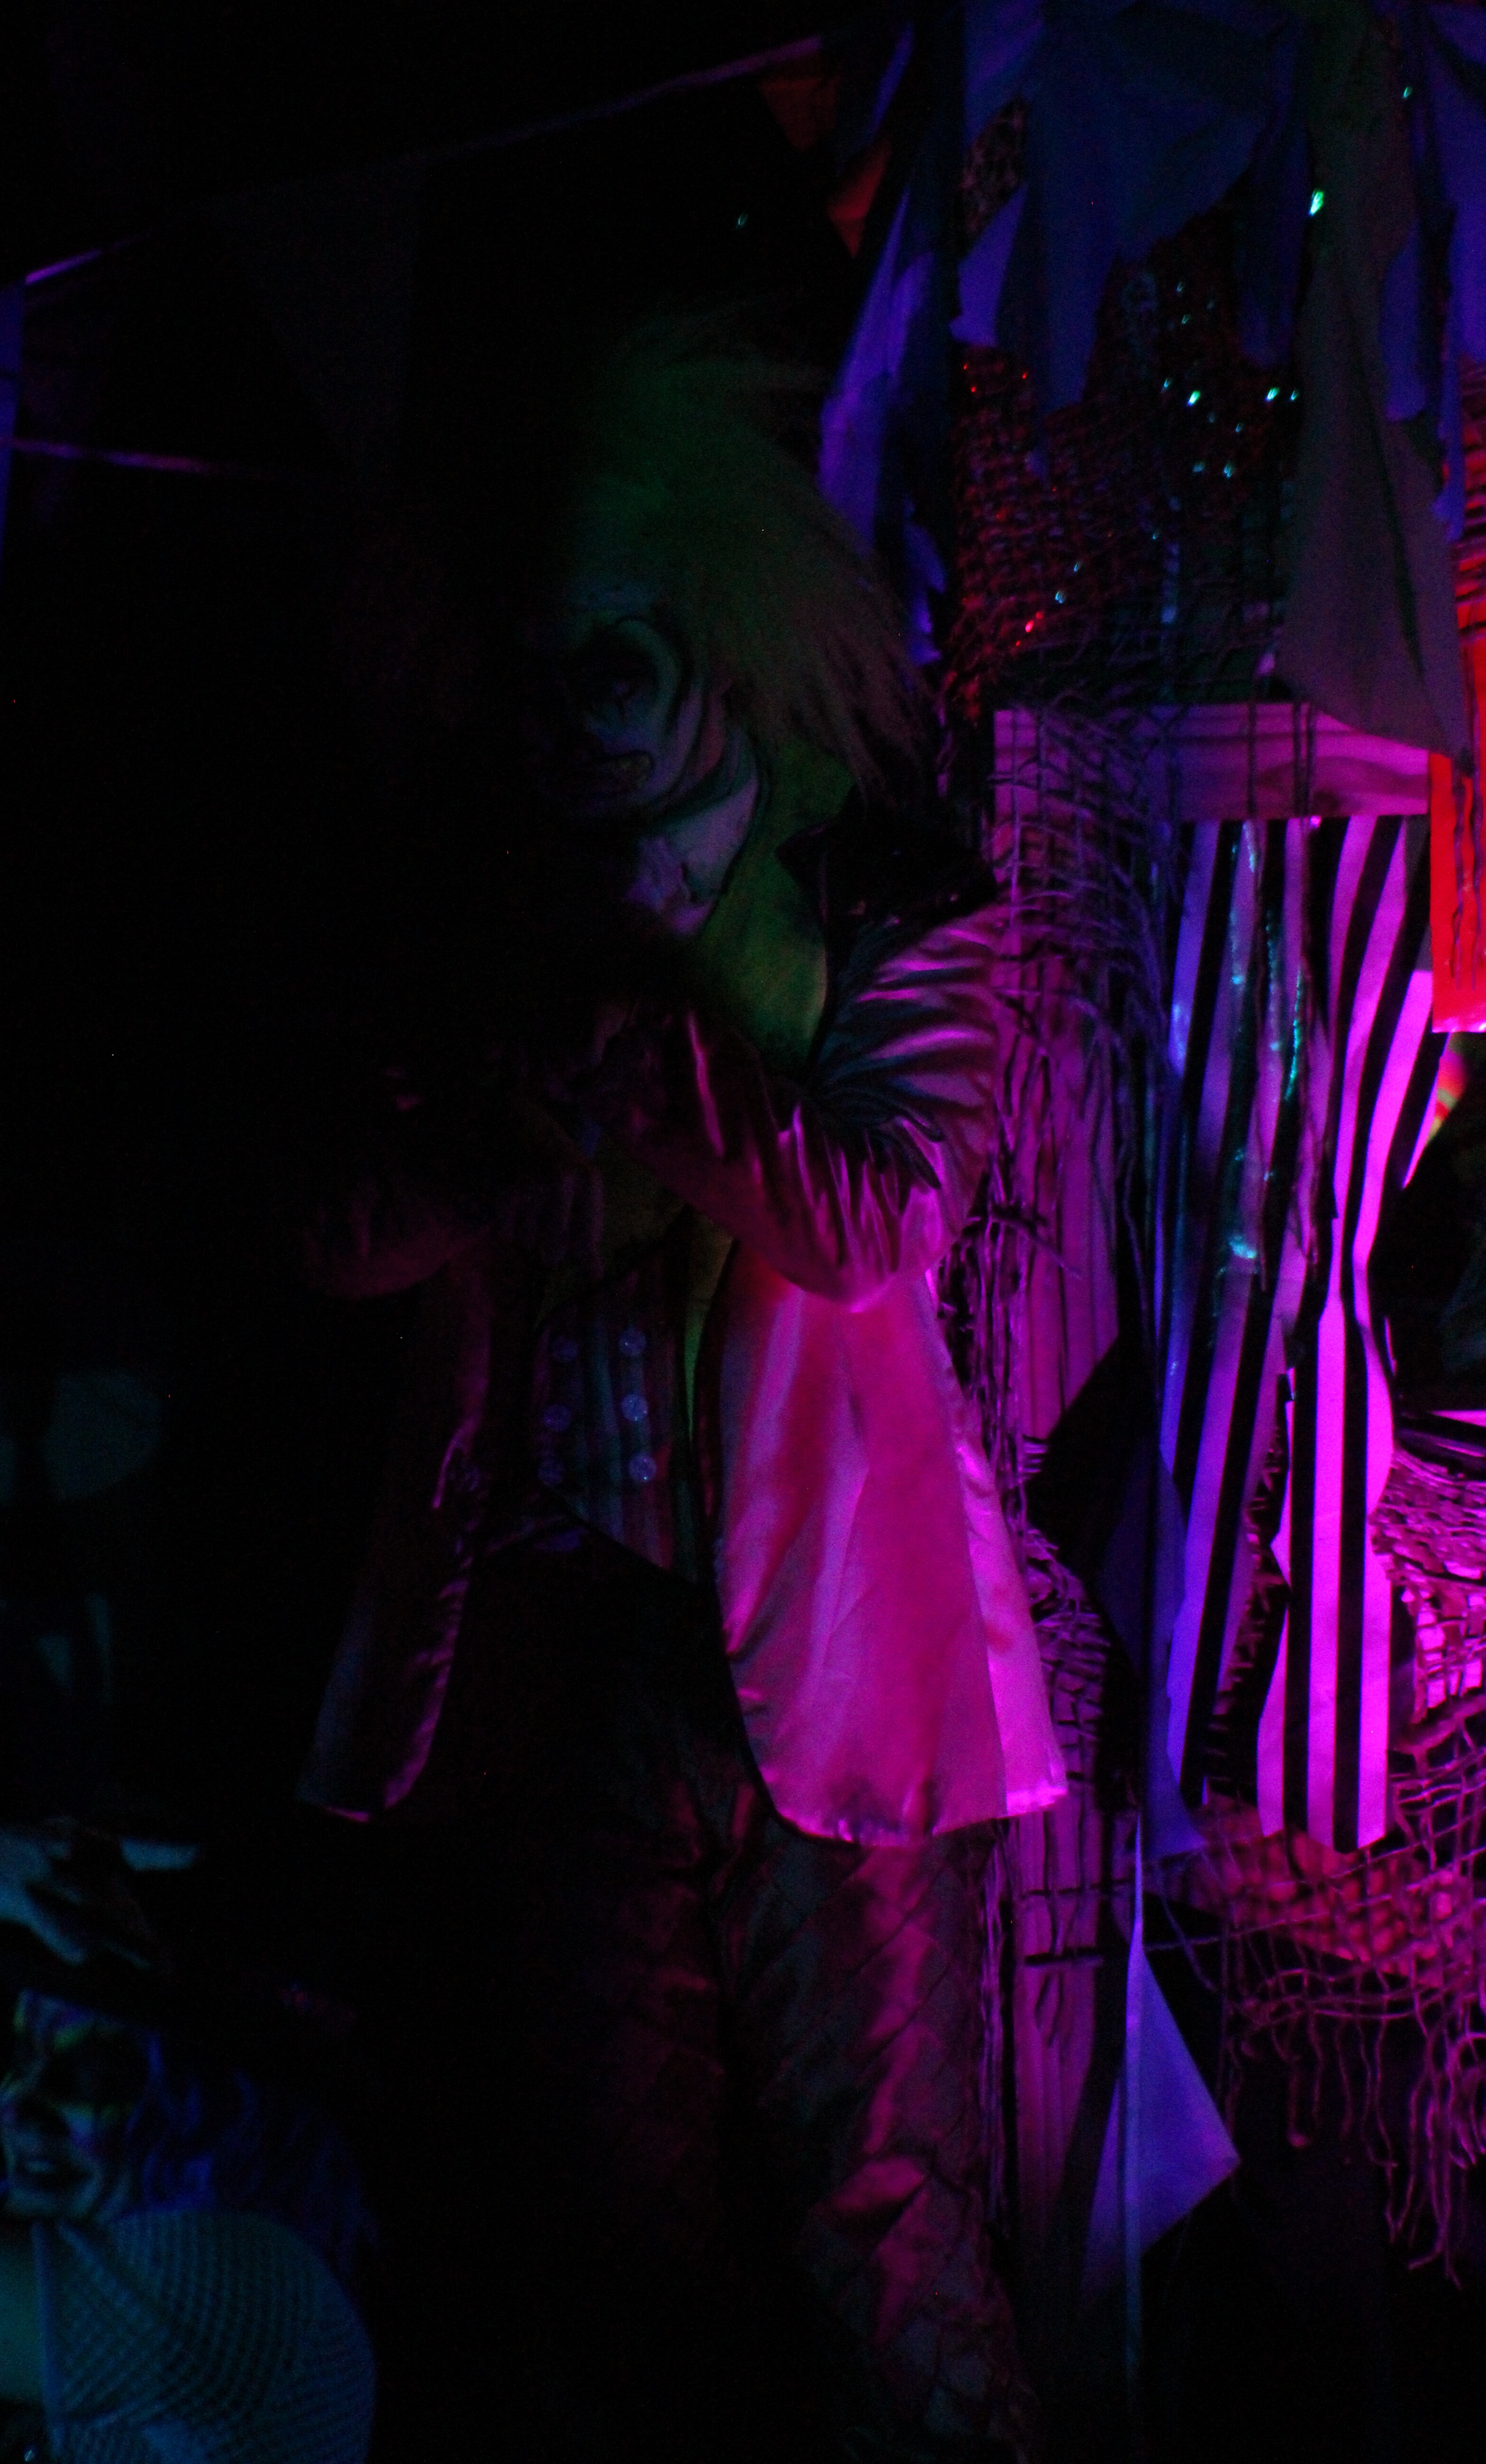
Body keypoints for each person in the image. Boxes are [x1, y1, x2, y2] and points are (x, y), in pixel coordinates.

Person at [300, 319, 1065, 2462]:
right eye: (541, 660)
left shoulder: (878, 882)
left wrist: (638, 1051)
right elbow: (330, 1227)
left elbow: (873, 1217)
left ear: (718, 628)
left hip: (833, 1654)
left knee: (883, 2220)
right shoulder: (458, 908)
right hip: (549, 1649)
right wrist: (493, 1114)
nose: (578, 700)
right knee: (608, 2244)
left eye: (617, 647)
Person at [0, 1825, 376, 2464]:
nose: (21, 2105)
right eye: (21, 2056)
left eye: (93, 2075)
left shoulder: (245, 2298)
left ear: (219, 2115)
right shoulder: (56, 2240)